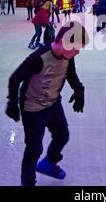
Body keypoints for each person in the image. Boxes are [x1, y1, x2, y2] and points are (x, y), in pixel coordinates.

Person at [6, 21, 89, 186]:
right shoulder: (39, 58)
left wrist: (79, 89)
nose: (78, 52)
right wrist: (13, 102)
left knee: (62, 135)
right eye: (76, 47)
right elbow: (15, 78)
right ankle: (27, 182)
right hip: (33, 108)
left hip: (53, 103)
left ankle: (48, 163)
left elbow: (70, 74)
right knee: (34, 148)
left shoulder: (67, 56)